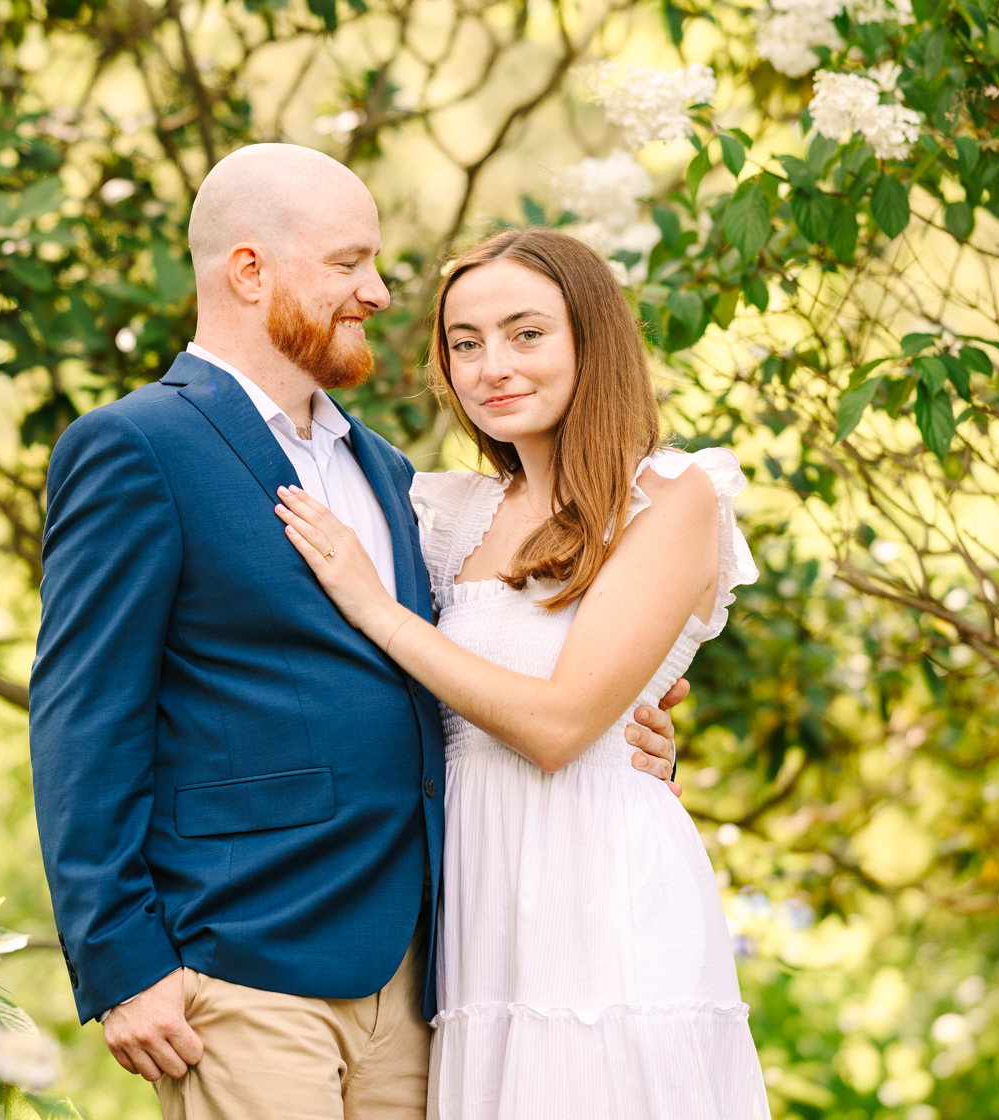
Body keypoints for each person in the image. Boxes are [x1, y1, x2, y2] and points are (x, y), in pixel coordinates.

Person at [29, 145, 687, 1120]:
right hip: (244, 960)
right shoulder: (137, 447)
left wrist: (631, 723)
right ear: (248, 271)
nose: (378, 293)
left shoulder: (387, 472)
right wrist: (122, 961)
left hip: (428, 973)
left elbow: (469, 663)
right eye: (348, 263)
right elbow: (85, 718)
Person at [274, 228, 771, 1119]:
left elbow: (558, 726)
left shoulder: (671, 494)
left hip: (602, 889)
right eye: (464, 343)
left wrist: (373, 605)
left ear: (592, 338)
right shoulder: (443, 513)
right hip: (477, 904)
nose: (490, 365)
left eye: (525, 333)